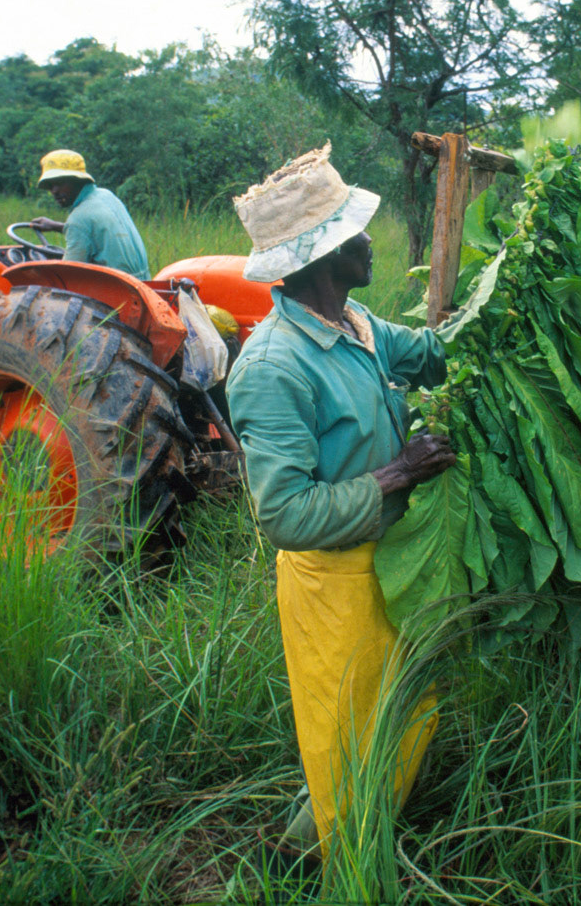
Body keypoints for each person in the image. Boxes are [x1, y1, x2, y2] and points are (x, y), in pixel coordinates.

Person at [224, 144, 456, 862]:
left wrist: (503, 311)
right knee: (345, 734)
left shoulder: (356, 324)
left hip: (390, 565)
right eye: (356, 234)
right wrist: (398, 473)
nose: (369, 244)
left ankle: (334, 837)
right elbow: (285, 514)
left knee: (397, 716)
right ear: (323, 256)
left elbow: (428, 352)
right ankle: (320, 863)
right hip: (334, 583)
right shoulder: (273, 365)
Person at [28, 149, 151, 279]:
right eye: (51, 186)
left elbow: (69, 275)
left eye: (60, 183)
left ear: (77, 181)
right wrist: (56, 226)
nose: (55, 191)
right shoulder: (105, 195)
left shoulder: (79, 218)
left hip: (118, 291)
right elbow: (94, 230)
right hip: (142, 282)